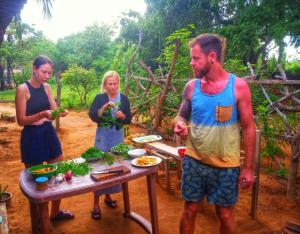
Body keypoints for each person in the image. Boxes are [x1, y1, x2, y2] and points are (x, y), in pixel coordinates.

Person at [174, 34, 256, 234]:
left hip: (226, 165)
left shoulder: (238, 87)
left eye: (195, 58)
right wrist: (180, 124)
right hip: (194, 161)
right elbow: (181, 116)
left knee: (225, 215)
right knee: (190, 209)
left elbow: (248, 128)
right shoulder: (191, 87)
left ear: (211, 56)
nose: (191, 63)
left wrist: (248, 168)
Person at [15, 55, 74, 222]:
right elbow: (21, 120)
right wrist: (41, 114)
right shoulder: (23, 89)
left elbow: (54, 112)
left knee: (58, 172)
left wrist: (61, 112)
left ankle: (55, 212)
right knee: (37, 181)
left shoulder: (47, 87)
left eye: (49, 73)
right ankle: (39, 221)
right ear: (34, 69)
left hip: (48, 133)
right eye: (44, 72)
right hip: (31, 137)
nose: (47, 76)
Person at [88, 70, 131, 219]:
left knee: (114, 168)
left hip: (117, 138)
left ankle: (107, 197)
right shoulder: (100, 98)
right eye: (109, 84)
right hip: (102, 138)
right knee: (99, 168)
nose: (112, 87)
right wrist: (105, 107)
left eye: (115, 83)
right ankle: (95, 203)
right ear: (105, 84)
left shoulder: (123, 99)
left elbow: (128, 119)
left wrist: (123, 116)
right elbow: (93, 116)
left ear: (118, 84)